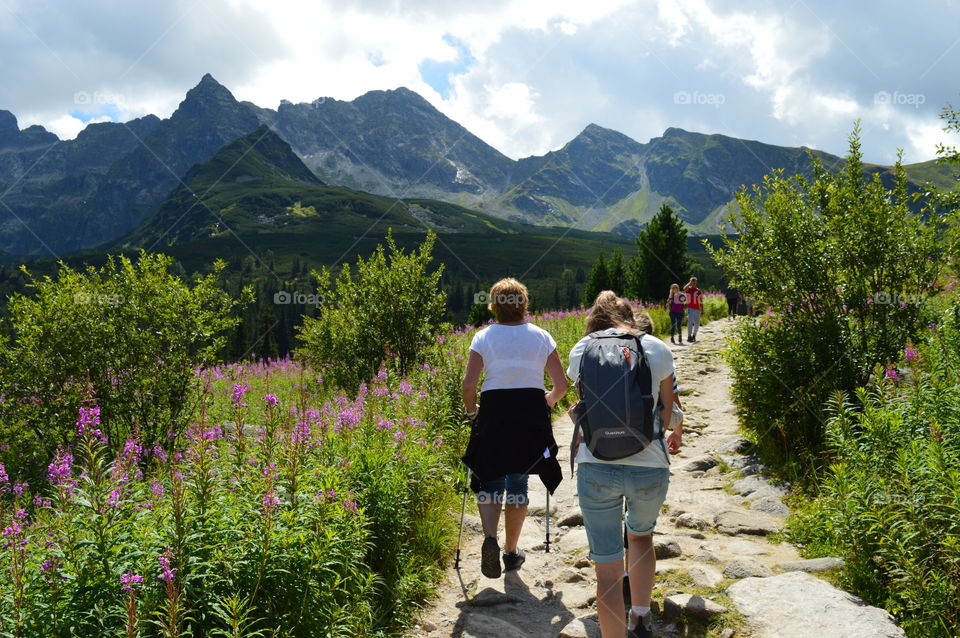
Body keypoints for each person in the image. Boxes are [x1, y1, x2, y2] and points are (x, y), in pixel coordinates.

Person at [566, 291, 682, 638]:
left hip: (596, 464)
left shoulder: (582, 349)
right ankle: (642, 617)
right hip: (649, 465)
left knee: (606, 570)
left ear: (596, 321)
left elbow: (583, 405)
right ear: (630, 316)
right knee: (642, 538)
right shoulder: (657, 348)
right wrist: (676, 424)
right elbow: (667, 412)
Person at [461, 277, 568, 579]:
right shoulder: (541, 337)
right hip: (529, 413)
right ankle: (511, 552)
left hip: (493, 411)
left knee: (490, 478)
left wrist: (472, 413)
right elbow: (561, 385)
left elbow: (469, 385)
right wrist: (546, 402)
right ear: (524, 303)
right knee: (518, 484)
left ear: (494, 305)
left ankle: (490, 539)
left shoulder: (483, 338)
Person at [684, 277, 703, 343]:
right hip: (690, 308)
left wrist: (702, 309)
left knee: (697, 323)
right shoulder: (689, 289)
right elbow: (684, 289)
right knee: (690, 322)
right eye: (693, 281)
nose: (694, 283)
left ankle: (694, 335)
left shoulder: (698, 290)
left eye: (695, 282)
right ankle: (689, 336)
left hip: (697, 308)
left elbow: (701, 300)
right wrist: (690, 283)